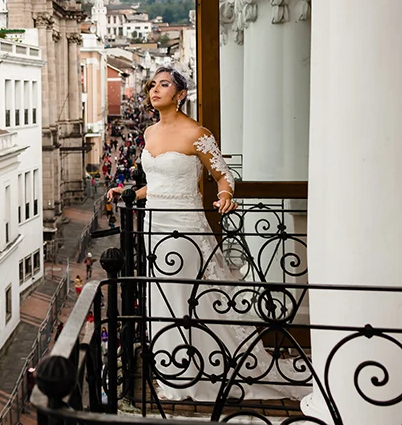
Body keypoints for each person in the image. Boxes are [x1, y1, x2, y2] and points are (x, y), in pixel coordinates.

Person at [106, 66, 307, 402]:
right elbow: (156, 185)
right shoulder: (150, 133)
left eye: (164, 84)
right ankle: (173, 372)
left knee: (187, 296)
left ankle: (202, 371)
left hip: (185, 227)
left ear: (181, 94)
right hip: (153, 226)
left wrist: (226, 195)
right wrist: (128, 193)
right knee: (161, 295)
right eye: (152, 84)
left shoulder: (197, 133)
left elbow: (224, 175)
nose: (155, 90)